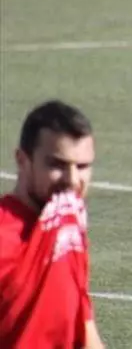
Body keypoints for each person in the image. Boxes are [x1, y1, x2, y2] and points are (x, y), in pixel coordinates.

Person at [0, 100, 106, 349]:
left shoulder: (68, 226)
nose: (73, 180)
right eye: (57, 165)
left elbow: (83, 327)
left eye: (82, 166)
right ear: (22, 160)